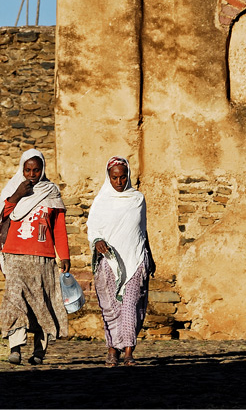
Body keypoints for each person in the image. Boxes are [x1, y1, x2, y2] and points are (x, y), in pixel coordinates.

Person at [0, 148, 70, 365]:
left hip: (43, 258)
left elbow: (58, 228)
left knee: (42, 303)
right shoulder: (13, 189)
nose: (32, 174)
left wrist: (63, 255)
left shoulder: (51, 192)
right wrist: (18, 195)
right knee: (15, 301)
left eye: (36, 170)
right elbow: (1, 215)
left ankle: (39, 351)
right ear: (22, 169)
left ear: (42, 169)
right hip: (15, 256)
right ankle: (15, 348)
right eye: (27, 170)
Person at [87, 156, 154, 367]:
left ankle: (128, 352)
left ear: (128, 176)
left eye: (123, 177)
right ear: (108, 177)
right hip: (109, 260)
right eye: (115, 177)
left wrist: (149, 256)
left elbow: (141, 231)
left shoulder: (137, 199)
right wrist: (97, 241)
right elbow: (94, 229)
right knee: (111, 307)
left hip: (134, 259)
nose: (119, 182)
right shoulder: (101, 201)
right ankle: (111, 350)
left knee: (130, 306)